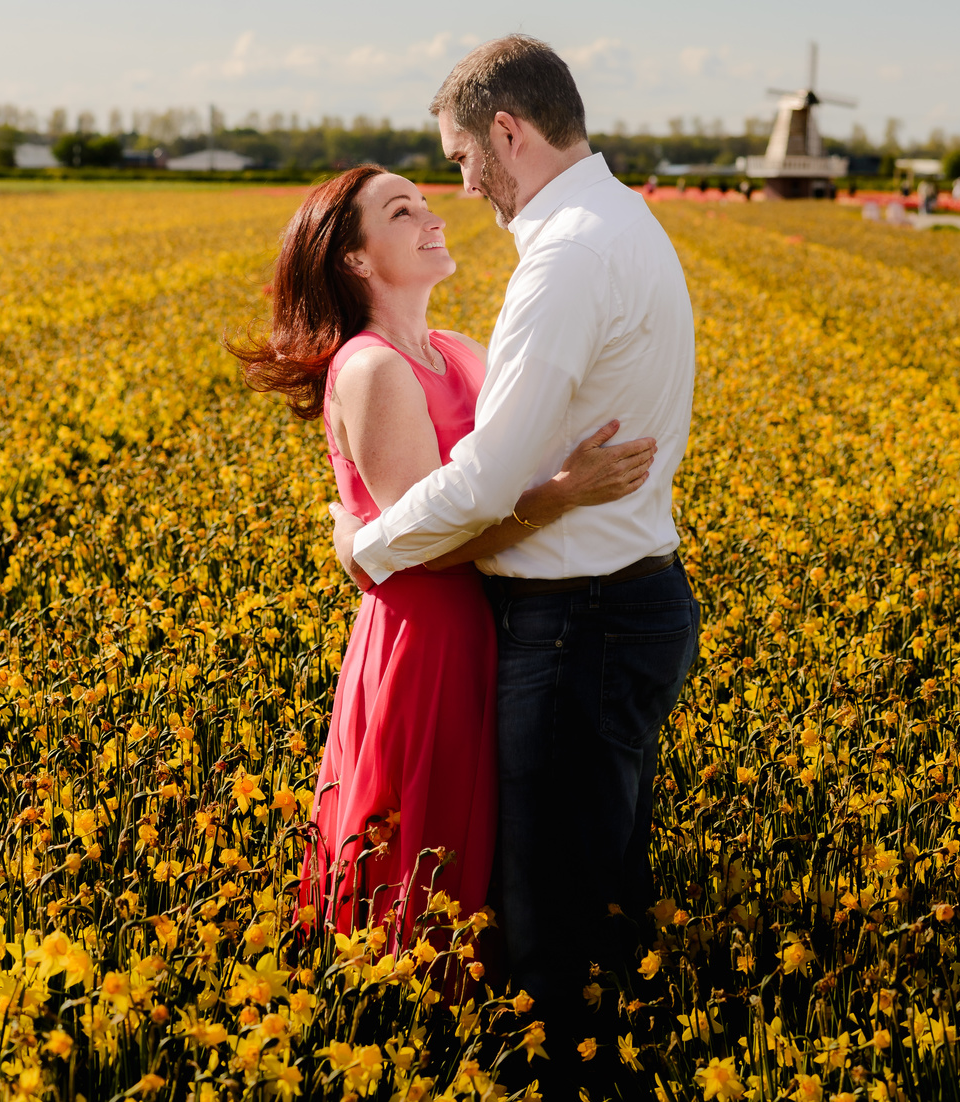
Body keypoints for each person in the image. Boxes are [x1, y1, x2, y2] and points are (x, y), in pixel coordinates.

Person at [331, 35, 699, 1063]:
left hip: (578, 624)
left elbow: (490, 480)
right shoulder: (618, 222)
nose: (462, 184)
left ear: (507, 130)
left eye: (458, 158)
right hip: (616, 607)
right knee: (604, 896)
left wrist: (372, 544)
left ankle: (574, 1074)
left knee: (548, 931)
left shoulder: (569, 255)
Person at [232, 164, 655, 943]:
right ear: (355, 258)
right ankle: (410, 1024)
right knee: (426, 851)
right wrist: (561, 494)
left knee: (489, 847)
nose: (433, 217)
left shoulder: (456, 348)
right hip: (428, 639)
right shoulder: (372, 368)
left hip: (487, 621)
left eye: (427, 203)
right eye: (402, 212)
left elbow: (509, 471)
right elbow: (428, 543)